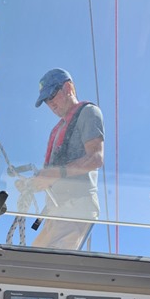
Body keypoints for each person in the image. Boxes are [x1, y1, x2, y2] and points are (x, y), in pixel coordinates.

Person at [20, 68, 105, 250]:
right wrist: (32, 184)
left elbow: (96, 158)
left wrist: (54, 174)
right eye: (46, 100)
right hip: (58, 212)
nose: (50, 104)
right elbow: (53, 175)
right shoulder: (57, 129)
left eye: (52, 95)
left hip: (76, 208)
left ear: (68, 88)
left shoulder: (88, 112)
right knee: (32, 260)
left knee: (39, 263)